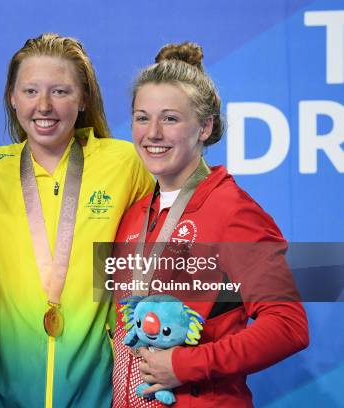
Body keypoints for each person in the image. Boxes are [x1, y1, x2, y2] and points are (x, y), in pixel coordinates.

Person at [0, 33, 154, 407]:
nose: (44, 106)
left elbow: (178, 225)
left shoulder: (124, 163)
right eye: (30, 91)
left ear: (83, 99)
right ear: (12, 98)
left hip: (97, 393)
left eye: (60, 92)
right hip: (6, 394)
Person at [111, 42, 309, 407]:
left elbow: (288, 326)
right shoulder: (136, 213)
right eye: (142, 117)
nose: (152, 133)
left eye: (170, 118)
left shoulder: (232, 210)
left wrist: (186, 364)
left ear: (205, 127)